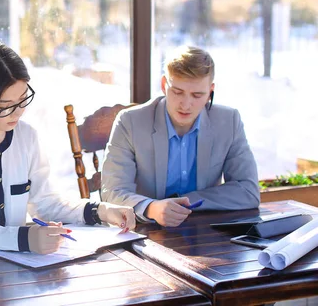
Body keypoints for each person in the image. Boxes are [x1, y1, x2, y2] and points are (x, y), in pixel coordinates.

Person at [0, 41, 136, 254]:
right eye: (6, 107)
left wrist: (101, 211)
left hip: (10, 266)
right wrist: (23, 239)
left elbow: (45, 202)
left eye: (23, 99)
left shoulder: (26, 137)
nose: (18, 112)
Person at [101, 45, 260, 227]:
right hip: (143, 231)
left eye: (197, 95)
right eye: (177, 92)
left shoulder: (229, 121)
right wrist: (152, 208)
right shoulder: (130, 122)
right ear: (163, 85)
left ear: (210, 92)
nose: (186, 104)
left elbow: (248, 191)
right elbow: (112, 192)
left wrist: (185, 201)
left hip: (205, 232)